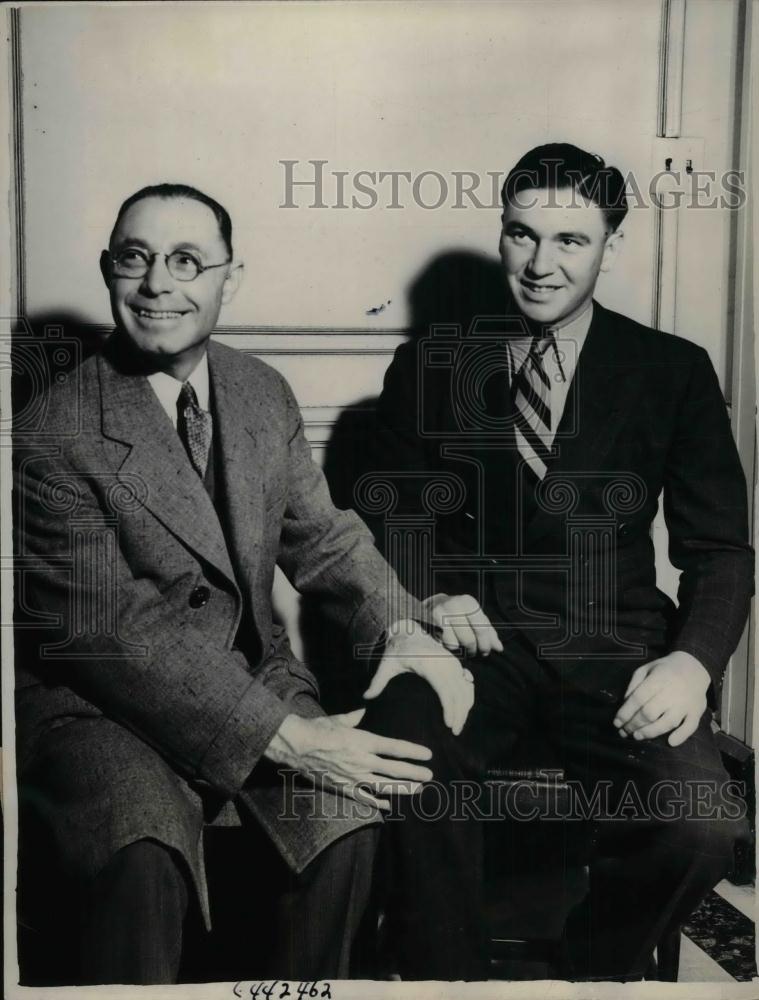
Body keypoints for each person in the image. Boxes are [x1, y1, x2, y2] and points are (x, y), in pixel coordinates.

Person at [13, 183, 476, 985]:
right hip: (99, 707)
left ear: (231, 277)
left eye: (188, 261)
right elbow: (109, 636)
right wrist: (291, 737)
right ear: (108, 273)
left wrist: (404, 629)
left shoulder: (260, 391)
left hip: (251, 681)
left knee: (347, 825)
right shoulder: (56, 429)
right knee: (141, 848)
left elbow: (324, 540)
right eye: (136, 259)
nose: (159, 284)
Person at [365, 143, 754, 980]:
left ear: (610, 246)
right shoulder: (432, 361)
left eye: (569, 241)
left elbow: (719, 549)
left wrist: (689, 664)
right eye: (521, 235)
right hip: (474, 648)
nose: (540, 265)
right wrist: (429, 594)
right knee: (399, 747)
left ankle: (588, 971)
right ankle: (447, 981)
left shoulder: (672, 371)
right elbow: (386, 511)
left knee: (702, 825)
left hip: (614, 652)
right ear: (501, 234)